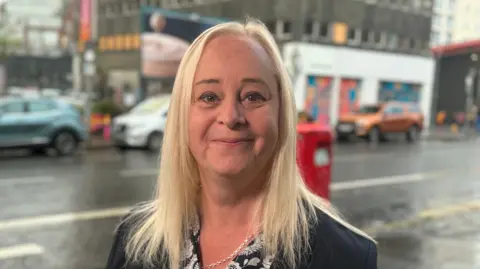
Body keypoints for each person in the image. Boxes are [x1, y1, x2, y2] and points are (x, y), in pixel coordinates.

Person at [106, 19, 377, 269]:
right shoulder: (134, 241)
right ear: (182, 115)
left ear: (281, 116)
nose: (231, 117)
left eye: (252, 96)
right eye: (209, 96)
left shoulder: (346, 257)